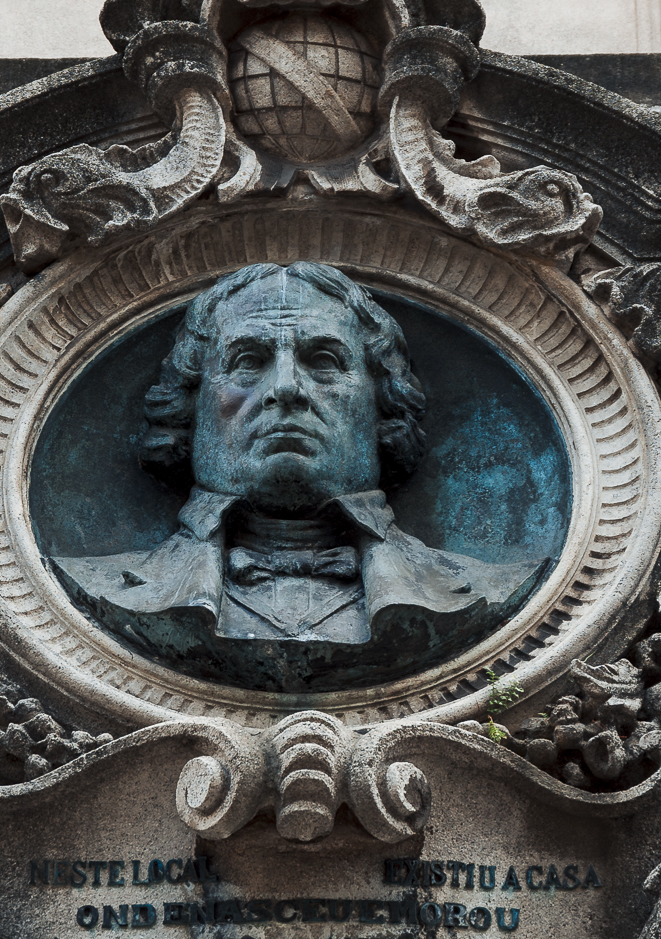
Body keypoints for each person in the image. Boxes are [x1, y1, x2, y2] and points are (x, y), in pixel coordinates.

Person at [51, 260, 547, 692]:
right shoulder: (98, 586)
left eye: (325, 362)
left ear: (381, 409)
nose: (286, 388)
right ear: (190, 408)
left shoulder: (491, 589)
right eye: (248, 362)